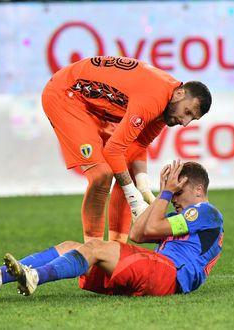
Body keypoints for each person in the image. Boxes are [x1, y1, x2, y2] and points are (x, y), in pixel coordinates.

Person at [0, 160, 224, 296]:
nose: (175, 198)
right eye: (174, 192)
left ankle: (36, 276)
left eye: (180, 191)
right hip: (157, 273)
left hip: (168, 274)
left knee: (98, 247)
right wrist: (162, 195)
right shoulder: (190, 218)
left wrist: (166, 192)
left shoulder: (206, 212)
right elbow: (138, 234)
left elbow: (151, 227)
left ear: (199, 190)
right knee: (71, 247)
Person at [41, 55, 212, 242]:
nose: (185, 122)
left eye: (192, 119)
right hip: (65, 95)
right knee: (101, 175)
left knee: (127, 167)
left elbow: (137, 147)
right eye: (187, 112)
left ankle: (116, 249)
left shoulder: (167, 105)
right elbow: (113, 151)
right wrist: (134, 199)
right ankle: (93, 252)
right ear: (179, 94)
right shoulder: (154, 98)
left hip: (89, 104)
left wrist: (144, 189)